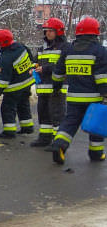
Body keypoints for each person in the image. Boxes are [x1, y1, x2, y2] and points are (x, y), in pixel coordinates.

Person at [48, 16, 107, 165]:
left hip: (74, 97)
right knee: (96, 124)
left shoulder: (68, 50)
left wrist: (56, 86)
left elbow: (58, 72)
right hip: (94, 98)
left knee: (70, 122)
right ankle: (96, 153)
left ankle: (59, 145)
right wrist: (105, 94)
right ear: (95, 34)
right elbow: (102, 77)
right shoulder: (100, 51)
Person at [31, 18, 69, 147]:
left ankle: (58, 142)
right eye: (46, 31)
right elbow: (36, 60)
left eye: (50, 31)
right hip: (43, 88)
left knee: (57, 116)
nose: (47, 33)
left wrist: (45, 69)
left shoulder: (65, 47)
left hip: (57, 88)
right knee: (44, 115)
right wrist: (33, 67)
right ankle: (44, 138)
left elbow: (64, 66)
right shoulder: (43, 48)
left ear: (58, 31)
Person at [0, 29, 35, 138]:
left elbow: (3, 81)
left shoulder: (6, 58)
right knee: (23, 105)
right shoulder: (21, 47)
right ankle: (27, 127)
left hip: (15, 88)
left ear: (3, 42)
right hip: (27, 83)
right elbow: (31, 60)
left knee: (7, 108)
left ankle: (9, 131)